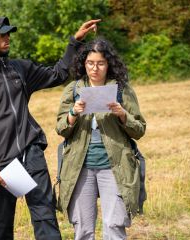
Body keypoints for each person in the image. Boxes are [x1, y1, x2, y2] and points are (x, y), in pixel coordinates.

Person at [0, 16, 100, 240]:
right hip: (1, 164)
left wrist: (75, 41)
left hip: (31, 151)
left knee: (45, 215)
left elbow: (58, 74)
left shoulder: (20, 68)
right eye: (2, 35)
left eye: (9, 34)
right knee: (3, 225)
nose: (8, 38)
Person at [55, 38, 146, 239]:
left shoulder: (122, 89)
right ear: (83, 64)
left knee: (114, 226)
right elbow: (60, 129)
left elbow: (139, 129)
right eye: (90, 63)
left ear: (109, 64)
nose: (95, 68)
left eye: (100, 63)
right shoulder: (73, 89)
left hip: (115, 167)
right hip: (80, 169)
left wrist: (123, 114)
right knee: (83, 230)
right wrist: (73, 113)